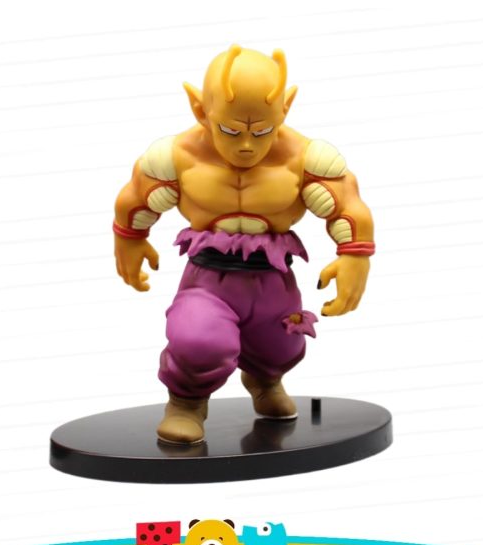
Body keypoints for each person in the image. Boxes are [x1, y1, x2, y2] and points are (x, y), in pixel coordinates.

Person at [113, 46, 375, 445]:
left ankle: (265, 381)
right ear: (200, 110)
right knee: (198, 338)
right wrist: (130, 239)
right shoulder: (178, 156)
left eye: (262, 131)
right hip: (208, 277)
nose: (248, 145)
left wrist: (354, 256)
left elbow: (346, 206)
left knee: (281, 345)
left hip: (273, 277)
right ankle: (186, 403)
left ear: (285, 109)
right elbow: (137, 199)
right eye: (232, 131)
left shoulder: (305, 157)